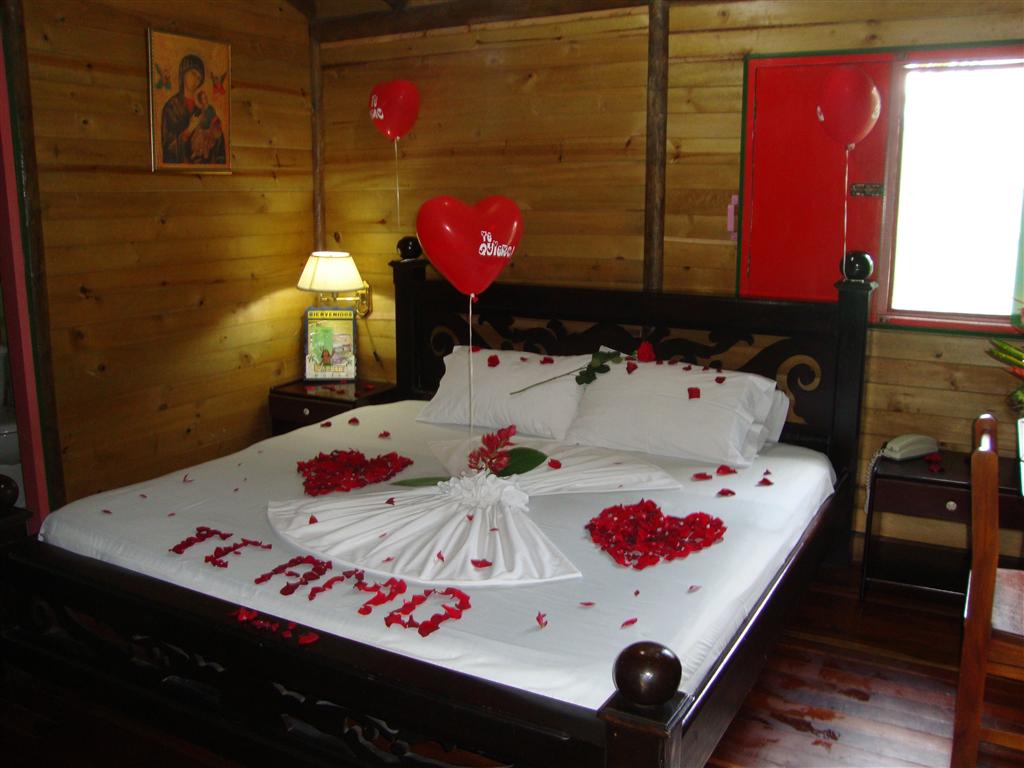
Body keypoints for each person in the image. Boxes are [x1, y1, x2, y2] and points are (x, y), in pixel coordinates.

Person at [160, 53, 225, 165]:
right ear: (183, 73)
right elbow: (168, 149)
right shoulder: (172, 107)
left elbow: (219, 145)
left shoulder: (200, 109)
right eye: (193, 73)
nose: (196, 80)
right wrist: (188, 130)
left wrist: (215, 133)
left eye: (199, 78)